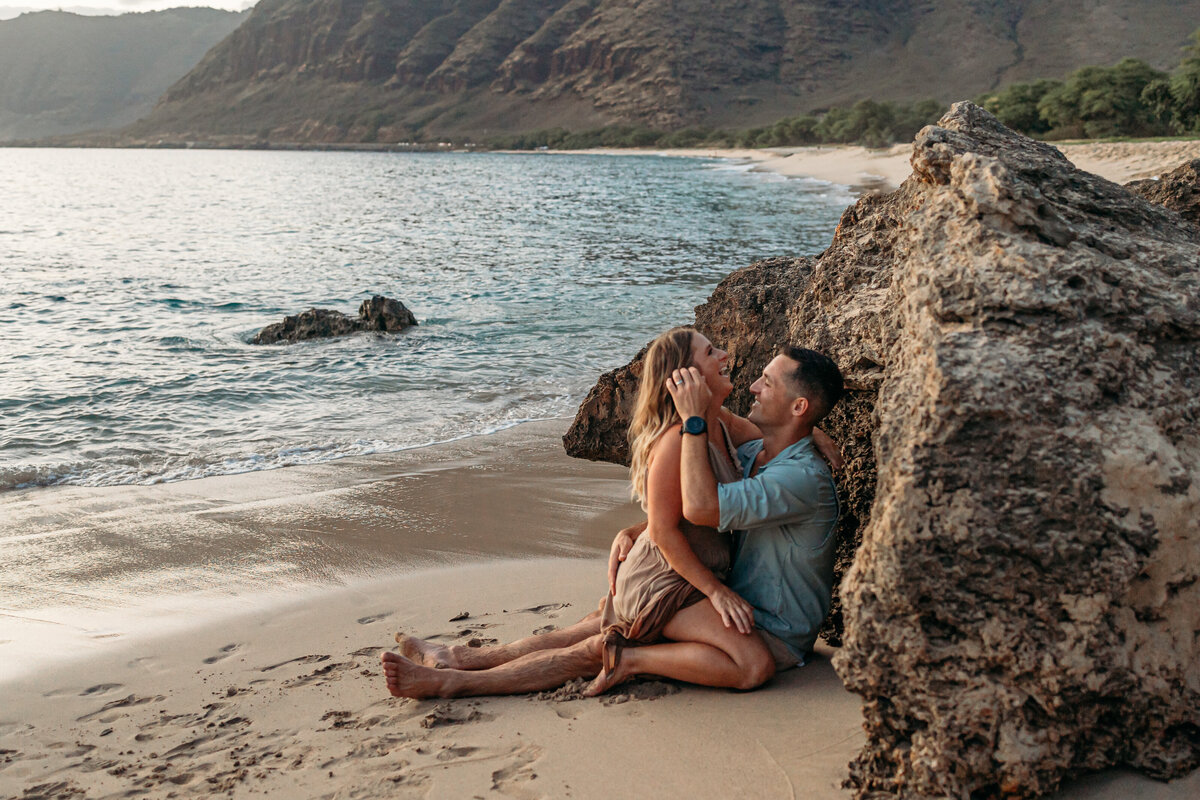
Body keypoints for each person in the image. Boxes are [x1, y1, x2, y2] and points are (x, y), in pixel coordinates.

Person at [380, 329, 843, 698]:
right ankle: (453, 677)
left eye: (769, 382)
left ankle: (457, 660)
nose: (730, 360)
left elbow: (708, 499)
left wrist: (807, 433)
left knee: (595, 627)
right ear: (684, 378)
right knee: (596, 642)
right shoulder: (689, 437)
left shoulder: (729, 434)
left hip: (693, 582)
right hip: (678, 578)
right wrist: (652, 537)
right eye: (710, 351)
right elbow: (678, 516)